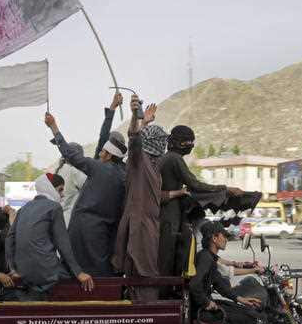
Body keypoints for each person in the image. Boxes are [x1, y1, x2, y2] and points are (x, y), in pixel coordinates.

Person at [113, 97, 183, 300]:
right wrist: (136, 116)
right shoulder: (139, 160)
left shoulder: (153, 166)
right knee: (145, 274)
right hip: (140, 228)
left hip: (149, 227)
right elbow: (134, 138)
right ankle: (145, 315)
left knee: (146, 272)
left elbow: (154, 196)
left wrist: (177, 193)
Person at [45, 111, 126, 277]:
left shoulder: (97, 167)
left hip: (82, 228)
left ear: (109, 155)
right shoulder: (126, 175)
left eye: (103, 152)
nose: (100, 154)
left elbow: (69, 154)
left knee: (75, 270)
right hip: (107, 233)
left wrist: (54, 127)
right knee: (101, 272)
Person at [190, 221, 280, 324]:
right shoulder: (205, 258)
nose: (226, 239)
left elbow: (220, 284)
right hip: (201, 310)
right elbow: (194, 284)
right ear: (214, 238)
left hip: (203, 305)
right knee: (248, 316)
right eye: (223, 236)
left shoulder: (208, 256)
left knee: (247, 311)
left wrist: (241, 299)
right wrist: (206, 303)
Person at [158, 125, 244, 277]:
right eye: (189, 143)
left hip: (169, 215)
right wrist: (226, 189)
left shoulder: (167, 158)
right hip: (169, 217)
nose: (191, 146)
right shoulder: (174, 159)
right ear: (182, 144)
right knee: (168, 260)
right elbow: (195, 184)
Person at [5, 173, 94, 300]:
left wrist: (13, 268)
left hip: (23, 272)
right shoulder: (54, 207)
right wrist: (79, 273)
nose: (62, 195)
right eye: (60, 190)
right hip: (46, 271)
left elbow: (9, 239)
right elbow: (63, 244)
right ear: (50, 188)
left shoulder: (23, 209)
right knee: (75, 280)